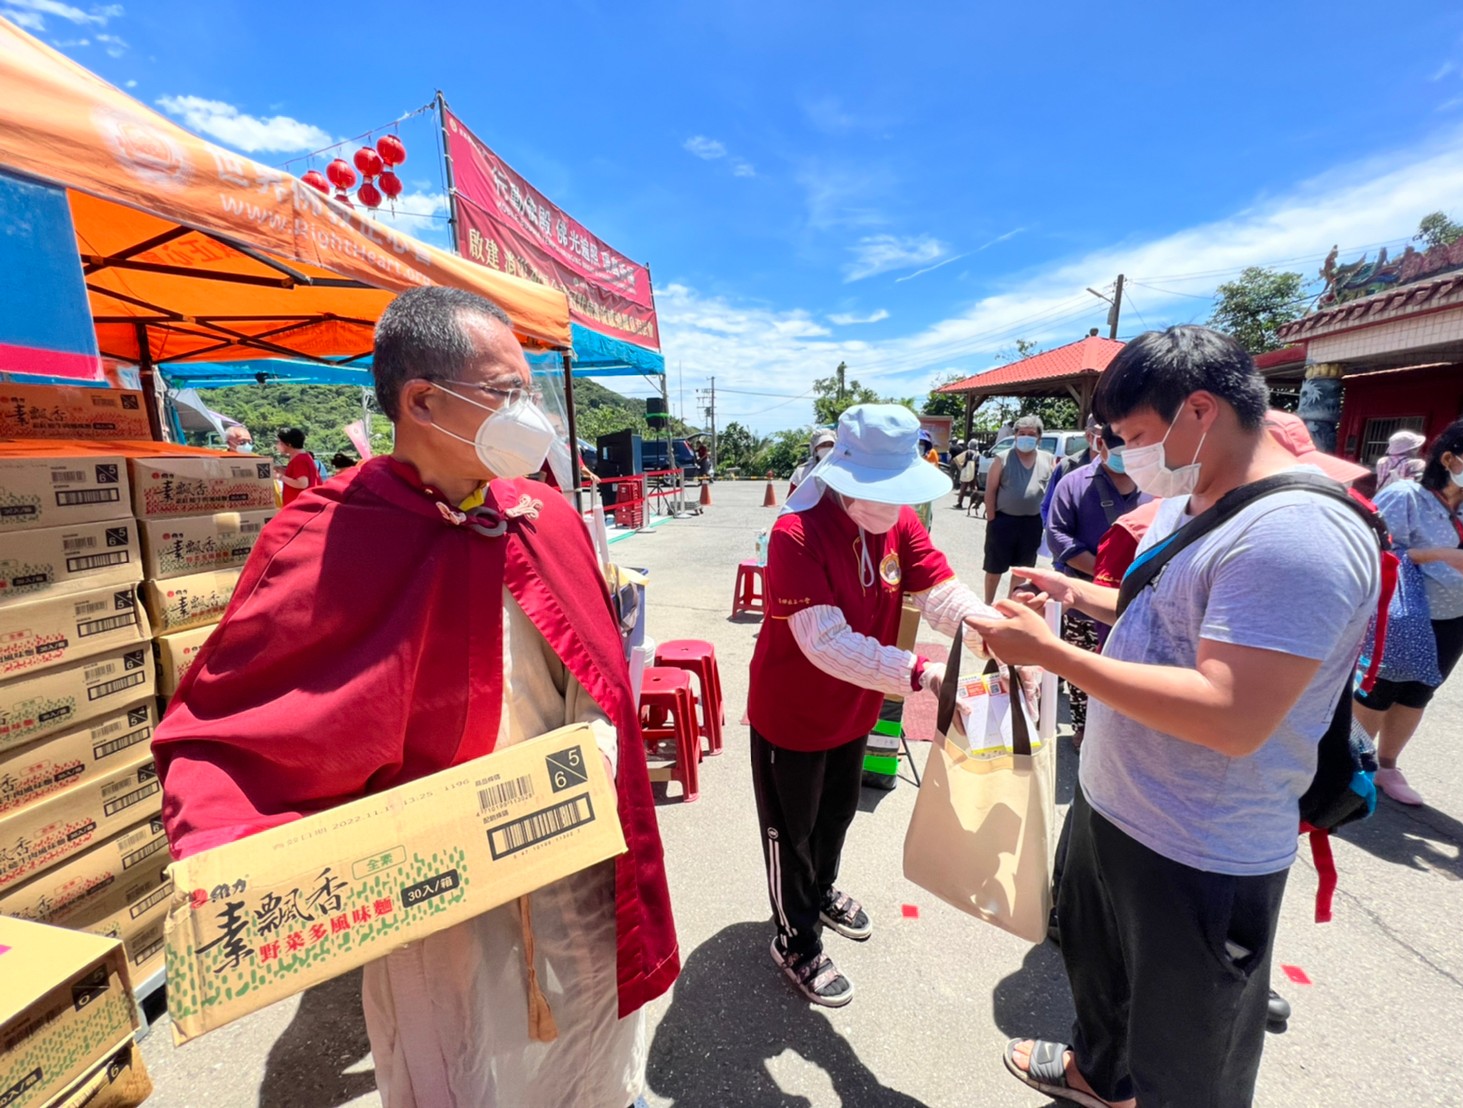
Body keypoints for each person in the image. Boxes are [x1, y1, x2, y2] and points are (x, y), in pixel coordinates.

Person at [152, 286, 680, 1108]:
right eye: (507, 394)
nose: (530, 414)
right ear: (423, 401)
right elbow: (233, 732)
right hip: (444, 895)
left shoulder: (544, 513)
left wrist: (601, 750)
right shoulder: (328, 537)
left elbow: (598, 664)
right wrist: (239, 872)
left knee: (595, 1049)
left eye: (528, 392)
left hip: (577, 857)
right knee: (467, 1069)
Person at [972, 326, 1381, 1108]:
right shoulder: (1194, 498)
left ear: (1199, 410)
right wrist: (1069, 594)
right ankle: (1098, 1074)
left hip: (1199, 847)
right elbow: (1160, 614)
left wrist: (1051, 656)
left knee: (1191, 1062)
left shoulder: (1296, 535)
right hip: (1114, 805)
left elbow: (1232, 715)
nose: (1126, 456)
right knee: (1105, 987)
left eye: (1133, 437)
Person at [749, 404, 997, 1008]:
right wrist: (920, 671)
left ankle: (822, 892)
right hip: (795, 713)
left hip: (854, 708)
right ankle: (795, 938)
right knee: (794, 832)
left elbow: (936, 589)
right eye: (877, 489)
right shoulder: (796, 532)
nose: (889, 503)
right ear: (840, 471)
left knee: (837, 816)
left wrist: (988, 625)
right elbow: (824, 643)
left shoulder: (897, 518)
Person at [1353, 416, 1463, 807]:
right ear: (1449, 459)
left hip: (1456, 613)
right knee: (1379, 688)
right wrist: (1441, 554)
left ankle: (1388, 765)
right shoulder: (1406, 496)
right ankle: (1355, 764)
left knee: (1419, 692)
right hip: (1403, 610)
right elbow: (1378, 550)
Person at [1044, 427, 1150, 746]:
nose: (1124, 456)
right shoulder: (1074, 484)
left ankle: (1120, 731)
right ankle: (1082, 727)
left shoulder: (1153, 485)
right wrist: (1106, 573)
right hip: (1082, 596)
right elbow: (1057, 536)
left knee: (1128, 667)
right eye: (1118, 448)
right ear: (1100, 444)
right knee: (1083, 668)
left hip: (1137, 599)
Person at [982, 414, 1055, 602]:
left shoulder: (1048, 459)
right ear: (1015, 435)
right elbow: (990, 490)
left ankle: (1010, 604)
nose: (1025, 437)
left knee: (1022, 569)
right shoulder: (1002, 458)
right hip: (1003, 521)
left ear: (1039, 437)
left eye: (1031, 433)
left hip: (1032, 523)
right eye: (1021, 433)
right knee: (994, 567)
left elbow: (1052, 492)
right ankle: (987, 603)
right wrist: (992, 518)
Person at [1040, 416, 1102, 526]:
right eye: (1104, 435)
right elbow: (1048, 506)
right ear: (1089, 436)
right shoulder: (1066, 466)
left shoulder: (1126, 467)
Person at [274, 427, 322, 506]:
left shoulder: (299, 460)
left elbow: (302, 483)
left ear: (289, 444)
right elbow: (295, 476)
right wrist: (282, 470)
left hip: (301, 507)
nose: (278, 445)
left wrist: (280, 477)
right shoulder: (304, 457)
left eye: (280, 442)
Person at [787, 428, 837, 497]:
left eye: (830, 444)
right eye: (823, 445)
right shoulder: (802, 472)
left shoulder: (842, 468)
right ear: (815, 448)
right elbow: (792, 499)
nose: (827, 447)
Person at [953, 438, 982, 509]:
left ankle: (960, 503)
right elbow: (978, 464)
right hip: (974, 472)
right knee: (974, 488)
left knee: (963, 487)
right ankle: (976, 502)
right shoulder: (978, 454)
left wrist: (961, 468)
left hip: (967, 472)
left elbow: (960, 461)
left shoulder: (968, 452)